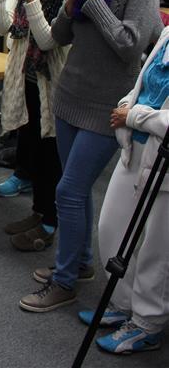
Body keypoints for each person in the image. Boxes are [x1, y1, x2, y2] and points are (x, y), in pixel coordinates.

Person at [20, 0, 163, 312]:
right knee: (75, 189)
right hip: (71, 97)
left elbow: (129, 45)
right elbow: (62, 36)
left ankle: (64, 281)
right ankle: (79, 263)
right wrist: (70, 2)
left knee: (68, 190)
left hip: (107, 105)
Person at [0, 0, 82, 252]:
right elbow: (4, 26)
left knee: (52, 160)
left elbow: (47, 39)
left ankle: (50, 223)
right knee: (35, 158)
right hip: (27, 81)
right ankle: (39, 212)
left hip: (55, 89)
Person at [78, 25, 169, 354]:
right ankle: (123, 304)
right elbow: (141, 82)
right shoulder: (168, 32)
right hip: (136, 150)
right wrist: (126, 105)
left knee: (156, 251)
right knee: (111, 228)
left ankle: (148, 323)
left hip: (164, 163)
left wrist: (134, 115)